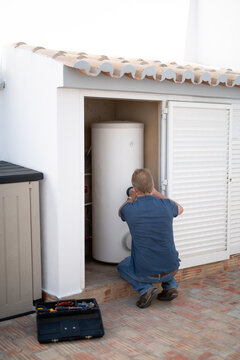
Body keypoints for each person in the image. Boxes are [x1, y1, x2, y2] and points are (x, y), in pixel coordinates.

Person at [117, 168, 183, 309]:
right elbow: (180, 208)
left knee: (122, 266)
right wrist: (156, 193)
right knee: (163, 257)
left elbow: (120, 212)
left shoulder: (130, 209)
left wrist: (130, 197)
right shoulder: (166, 205)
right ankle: (170, 286)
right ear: (152, 186)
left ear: (134, 189)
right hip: (172, 268)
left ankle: (145, 288)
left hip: (147, 273)